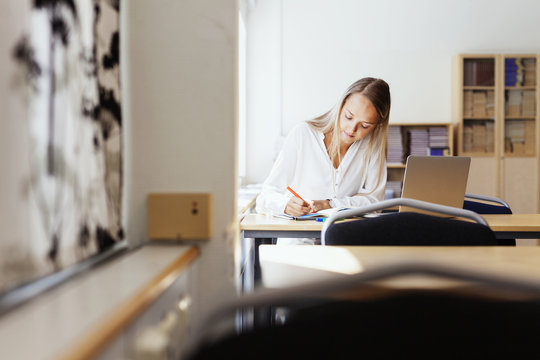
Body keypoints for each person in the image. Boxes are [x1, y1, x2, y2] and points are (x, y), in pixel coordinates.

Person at [255, 77, 391, 241]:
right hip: (298, 244)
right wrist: (285, 205)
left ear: (377, 125)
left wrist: (330, 204)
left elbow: (375, 203)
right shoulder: (303, 134)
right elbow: (265, 196)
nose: (352, 128)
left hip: (345, 242)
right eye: (348, 116)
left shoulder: (372, 147)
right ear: (341, 106)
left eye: (365, 125)